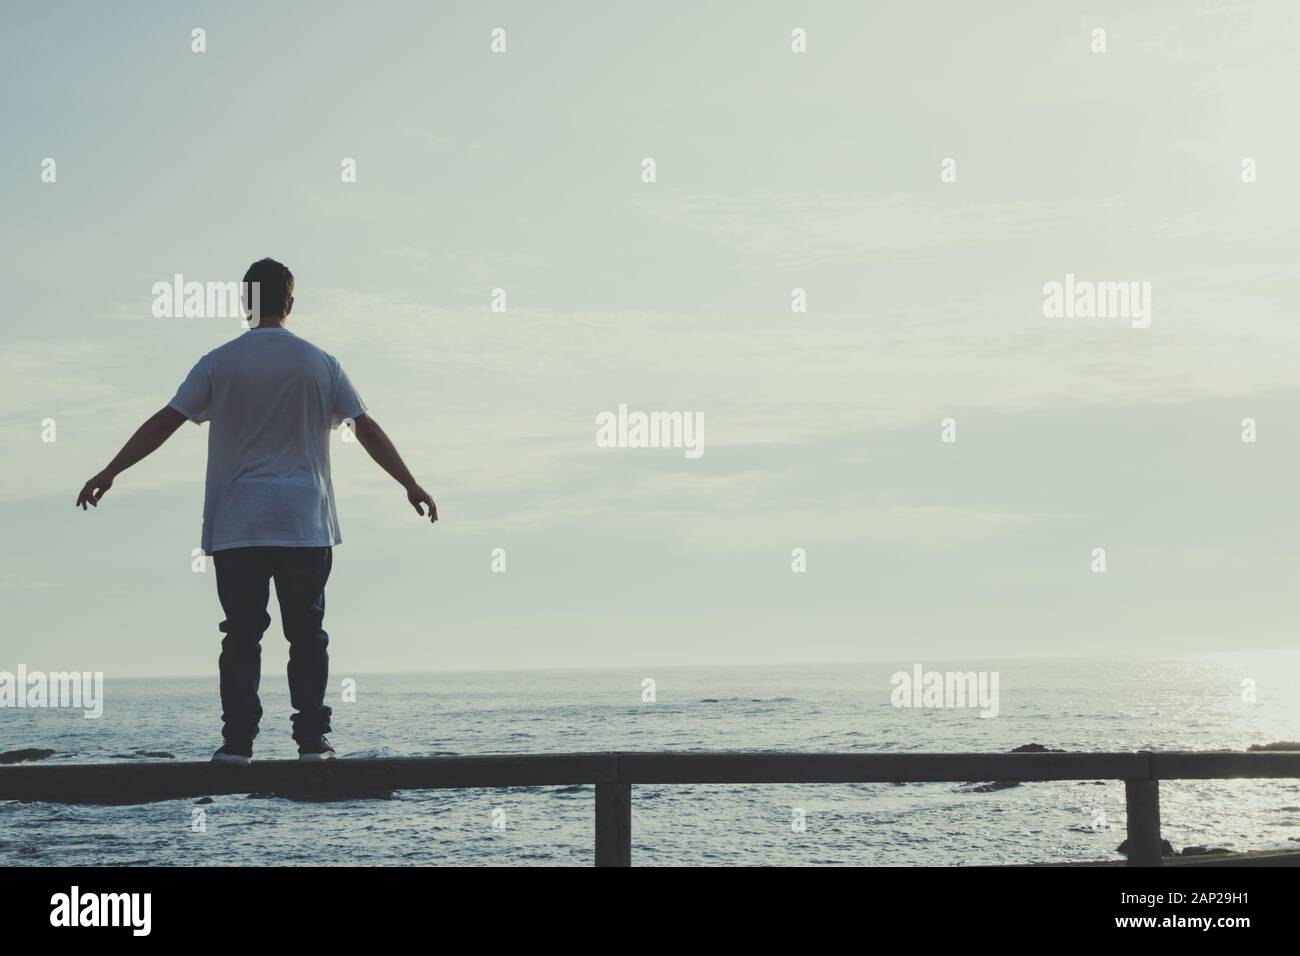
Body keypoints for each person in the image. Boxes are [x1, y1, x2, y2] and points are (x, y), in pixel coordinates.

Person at [75, 258, 436, 765]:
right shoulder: (320, 363)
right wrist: (409, 483)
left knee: (242, 635)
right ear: (290, 302)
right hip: (303, 524)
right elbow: (365, 427)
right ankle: (312, 744)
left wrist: (110, 471)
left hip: (238, 525)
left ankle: (238, 745)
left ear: (246, 303)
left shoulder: (218, 362)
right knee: (306, 635)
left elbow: (166, 421)